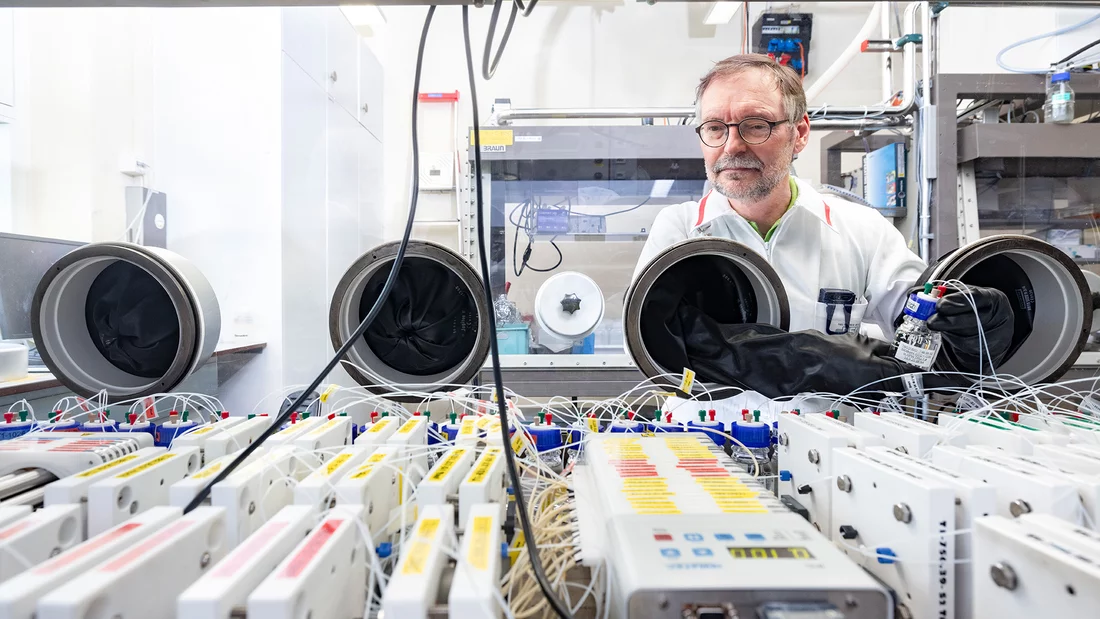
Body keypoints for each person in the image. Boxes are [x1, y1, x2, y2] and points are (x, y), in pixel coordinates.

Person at [633, 54, 1013, 421]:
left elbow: (922, 328)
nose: (732, 145)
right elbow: (653, 341)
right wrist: (809, 357)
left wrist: (973, 321)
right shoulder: (681, 229)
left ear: (799, 134)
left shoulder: (860, 229)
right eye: (716, 127)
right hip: (703, 442)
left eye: (755, 125)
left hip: (833, 448)